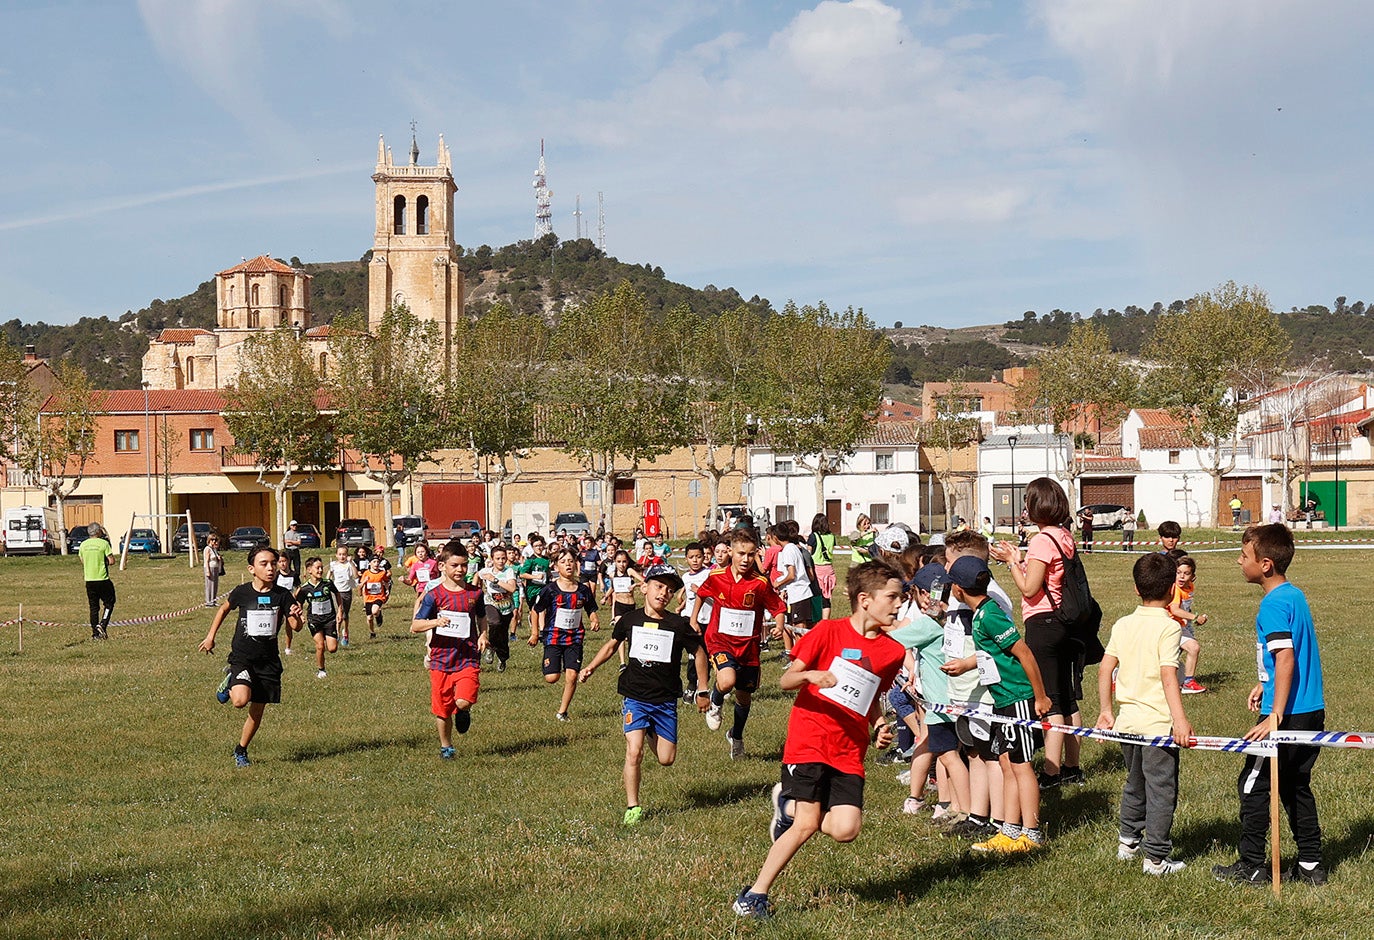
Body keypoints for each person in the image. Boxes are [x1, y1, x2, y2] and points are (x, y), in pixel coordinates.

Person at [731, 561, 907, 920]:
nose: (898, 604)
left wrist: (878, 726)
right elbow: (785, 681)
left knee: (846, 829)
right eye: (892, 597)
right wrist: (812, 674)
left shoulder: (893, 652)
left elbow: (872, 696)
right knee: (808, 825)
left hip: (849, 748)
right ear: (865, 599)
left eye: (900, 598)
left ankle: (787, 806)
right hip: (809, 738)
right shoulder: (828, 631)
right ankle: (753, 895)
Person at [1213, 523, 1328, 886]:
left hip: (1289, 715)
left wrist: (1275, 714)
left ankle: (1252, 865)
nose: (1238, 561)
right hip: (1310, 709)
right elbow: (1281, 660)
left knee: (1252, 782)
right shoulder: (1294, 595)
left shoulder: (1272, 606)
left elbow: (1287, 658)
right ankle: (1311, 866)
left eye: (1243, 556)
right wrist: (1263, 684)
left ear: (1264, 564)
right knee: (1295, 786)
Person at [579, 565, 709, 825]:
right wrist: (591, 667)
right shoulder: (630, 619)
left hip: (665, 700)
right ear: (644, 587)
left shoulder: (678, 624)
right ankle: (633, 806)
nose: (664, 593)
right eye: (659, 586)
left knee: (666, 759)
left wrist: (703, 689)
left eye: (670, 590)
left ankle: (652, 730)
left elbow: (700, 653)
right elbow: (612, 645)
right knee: (634, 752)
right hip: (635, 696)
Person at [940, 555, 1052, 855]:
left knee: (1021, 766)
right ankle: (1010, 830)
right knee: (1006, 762)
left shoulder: (990, 615)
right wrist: (966, 664)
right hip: (1001, 698)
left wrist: (1040, 697)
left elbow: (1024, 653)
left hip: (1016, 697)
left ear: (959, 590)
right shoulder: (979, 615)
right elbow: (991, 654)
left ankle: (1031, 833)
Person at [1096, 552, 1194, 876]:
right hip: (1156, 726)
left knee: (1134, 783)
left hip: (1127, 724)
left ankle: (1127, 841)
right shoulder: (1169, 628)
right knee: (1161, 790)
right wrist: (1179, 721)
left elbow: (1105, 668)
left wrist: (1106, 712)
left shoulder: (1123, 624)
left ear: (1136, 590)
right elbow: (1169, 675)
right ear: (1171, 591)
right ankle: (1155, 858)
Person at [989, 477, 1084, 787]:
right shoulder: (1064, 535)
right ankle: (1072, 766)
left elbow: (1030, 588)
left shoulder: (1043, 540)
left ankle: (1052, 771)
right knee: (1068, 700)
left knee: (1050, 701)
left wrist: (1013, 562)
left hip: (1044, 622)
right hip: (1067, 621)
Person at [199, 546, 303, 767]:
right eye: (264, 564)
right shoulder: (242, 592)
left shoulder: (282, 595)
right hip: (243, 657)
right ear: (252, 569)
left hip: (269, 661)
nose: (270, 568)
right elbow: (223, 610)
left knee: (257, 710)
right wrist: (210, 637)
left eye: (273, 564)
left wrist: (297, 616)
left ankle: (241, 750)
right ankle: (230, 681)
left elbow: (296, 626)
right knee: (239, 701)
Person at [692, 529, 786, 760]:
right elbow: (702, 594)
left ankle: (736, 736)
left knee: (744, 697)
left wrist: (779, 625)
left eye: (751, 555)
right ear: (730, 552)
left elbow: (778, 607)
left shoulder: (760, 583)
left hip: (749, 649)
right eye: (741, 553)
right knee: (727, 680)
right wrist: (694, 619)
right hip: (720, 641)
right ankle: (715, 702)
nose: (746, 559)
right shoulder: (717, 577)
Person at [411, 541, 487, 759]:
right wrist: (436, 622)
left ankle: (463, 711)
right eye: (455, 565)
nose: (460, 570)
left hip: (468, 656)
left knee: (462, 700)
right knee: (442, 709)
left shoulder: (475, 593)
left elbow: (481, 617)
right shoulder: (434, 595)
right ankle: (446, 746)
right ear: (442, 566)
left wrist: (483, 634)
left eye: (463, 565)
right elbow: (415, 626)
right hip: (441, 659)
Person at [530, 548, 600, 721]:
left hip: (575, 637)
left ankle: (562, 712)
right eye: (563, 562)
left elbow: (590, 607)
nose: (568, 564)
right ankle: (553, 664)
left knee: (572, 675)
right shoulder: (550, 590)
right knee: (552, 677)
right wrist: (534, 633)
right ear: (555, 566)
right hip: (553, 637)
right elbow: (535, 610)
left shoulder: (583, 589)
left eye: (570, 561)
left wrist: (594, 618)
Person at [1169, 556, 1210, 694]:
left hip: (1179, 626)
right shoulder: (1175, 589)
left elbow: (1183, 609)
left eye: (1186, 574)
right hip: (1168, 627)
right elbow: (1174, 609)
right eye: (1178, 572)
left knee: (1193, 648)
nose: (1181, 577)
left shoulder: (1189, 587)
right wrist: (1195, 617)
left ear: (1193, 576)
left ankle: (1188, 682)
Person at [295, 556, 342, 678]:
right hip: (314, 620)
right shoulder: (305, 589)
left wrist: (340, 611)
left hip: (329, 619)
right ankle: (321, 670)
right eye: (318, 568)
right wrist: (300, 616)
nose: (320, 570)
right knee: (320, 646)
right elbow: (299, 604)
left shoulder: (327, 583)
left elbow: (337, 594)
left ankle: (330, 636)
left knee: (332, 648)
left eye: (321, 567)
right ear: (309, 570)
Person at [476, 544, 518, 672]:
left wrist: (495, 580)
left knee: (503, 633)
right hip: (490, 602)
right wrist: (475, 590)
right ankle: (490, 648)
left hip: (506, 605)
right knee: (494, 623)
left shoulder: (509, 571)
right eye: (498, 558)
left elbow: (512, 588)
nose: (501, 561)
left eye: (503, 558)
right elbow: (477, 575)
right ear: (492, 559)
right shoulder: (486, 571)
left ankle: (502, 657)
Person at [79, 522, 116, 640]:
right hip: (102, 578)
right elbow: (111, 561)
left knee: (94, 608)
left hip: (89, 579)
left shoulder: (83, 545)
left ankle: (95, 634)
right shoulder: (104, 544)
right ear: (98, 531)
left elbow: (82, 560)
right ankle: (103, 623)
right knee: (110, 603)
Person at [806, 513, 837, 620]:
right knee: (827, 598)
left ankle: (816, 619)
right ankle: (826, 621)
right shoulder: (831, 536)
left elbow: (808, 552)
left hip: (817, 569)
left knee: (817, 597)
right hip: (829, 569)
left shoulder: (814, 536)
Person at [329, 545, 358, 646]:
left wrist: (351, 563)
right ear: (336, 555)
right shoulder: (333, 565)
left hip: (346, 592)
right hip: (336, 592)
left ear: (347, 555)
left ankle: (345, 632)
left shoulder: (350, 564)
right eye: (340, 554)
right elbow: (329, 575)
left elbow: (355, 576)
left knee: (345, 615)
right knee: (339, 614)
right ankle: (336, 633)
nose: (342, 557)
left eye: (344, 554)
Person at [359, 554, 392, 639]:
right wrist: (364, 582)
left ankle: (378, 615)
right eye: (374, 562)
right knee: (369, 618)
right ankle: (372, 632)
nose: (376, 563)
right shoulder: (366, 573)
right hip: (368, 598)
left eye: (377, 562)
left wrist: (387, 590)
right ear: (370, 563)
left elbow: (386, 581)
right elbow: (360, 586)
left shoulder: (382, 573)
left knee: (374, 611)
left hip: (379, 596)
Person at [203, 532, 225, 608]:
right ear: (209, 540)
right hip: (210, 568)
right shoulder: (207, 549)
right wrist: (207, 571)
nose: (215, 542)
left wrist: (219, 559)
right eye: (213, 540)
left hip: (215, 568)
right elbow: (206, 560)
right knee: (210, 585)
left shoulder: (214, 549)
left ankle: (214, 600)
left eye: (215, 540)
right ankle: (208, 602)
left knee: (215, 585)